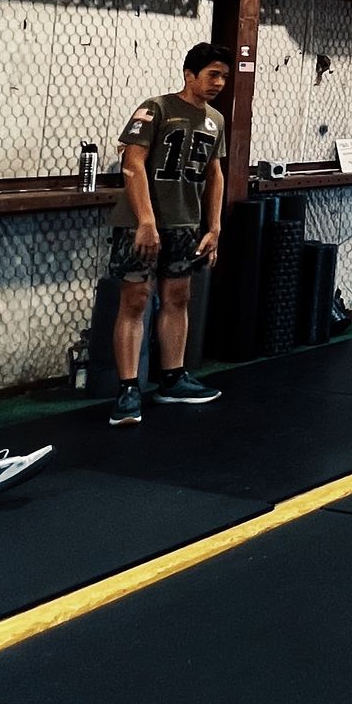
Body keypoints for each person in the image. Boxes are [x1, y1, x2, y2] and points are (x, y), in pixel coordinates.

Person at [106, 42, 231, 428]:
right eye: (213, 74)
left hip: (185, 225)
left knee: (178, 297)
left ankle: (173, 379)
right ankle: (128, 389)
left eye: (224, 76)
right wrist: (146, 220)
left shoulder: (215, 121)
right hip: (141, 223)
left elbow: (214, 174)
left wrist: (214, 227)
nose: (219, 83)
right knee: (135, 300)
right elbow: (133, 163)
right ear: (189, 74)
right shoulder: (157, 108)